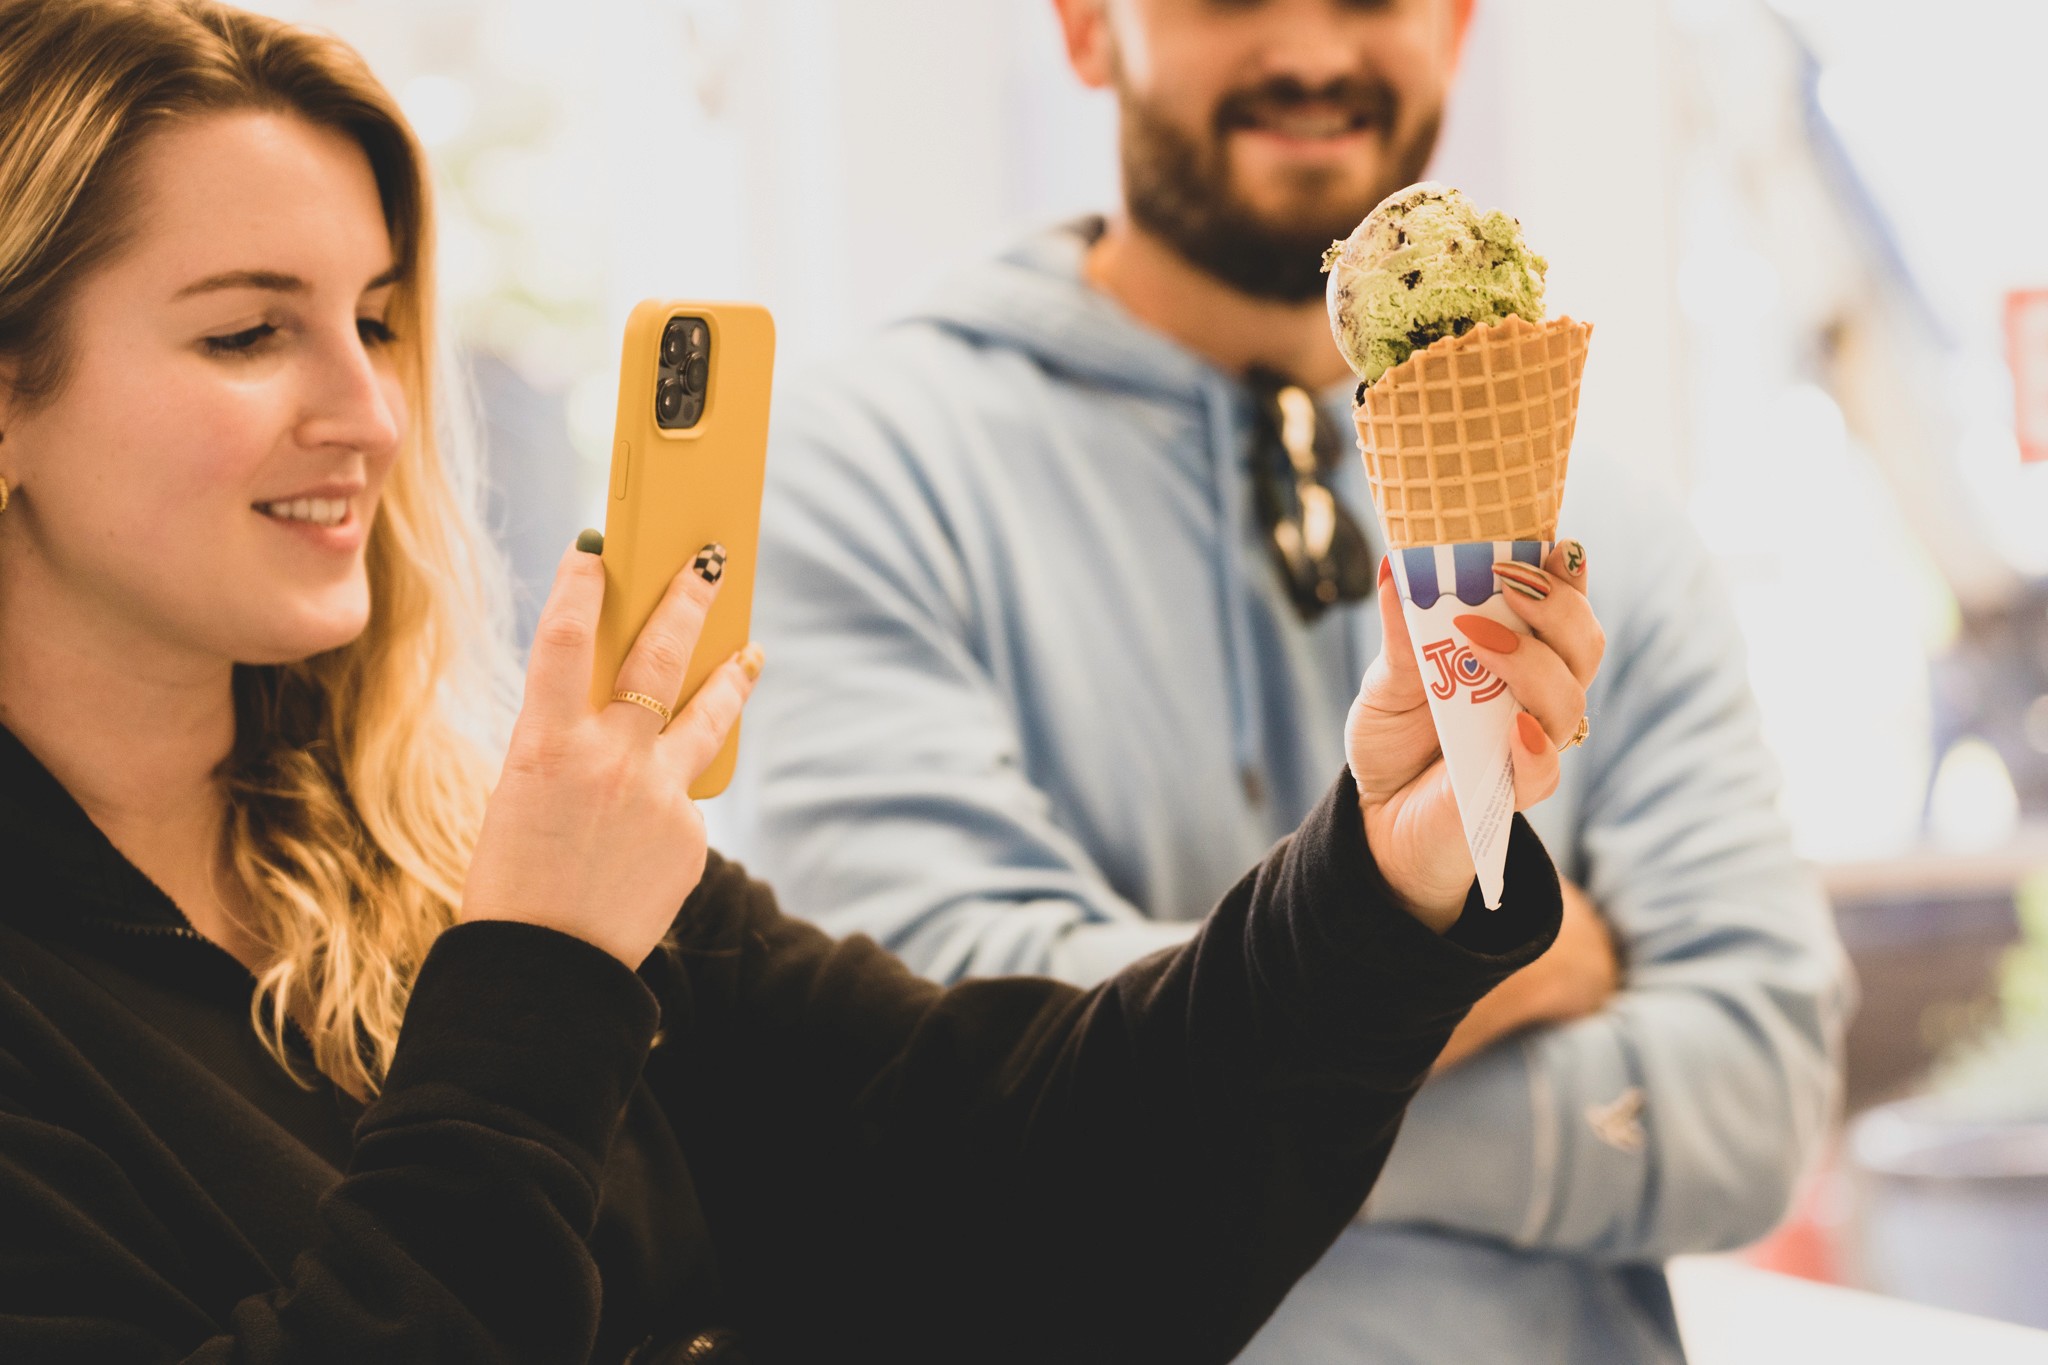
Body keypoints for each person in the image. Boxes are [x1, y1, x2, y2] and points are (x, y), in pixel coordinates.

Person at [0, 2, 1602, 1362]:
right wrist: (540, 971)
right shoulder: (525, 914)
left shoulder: (462, 849)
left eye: (374, 320)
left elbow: (1050, 1190)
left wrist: (1382, 883)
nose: (372, 413)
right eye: (245, 335)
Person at [724, 0, 1853, 1360]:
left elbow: (1755, 1094)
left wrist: (1232, 1081)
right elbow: (959, 1068)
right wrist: (1512, 971)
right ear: (1088, 28)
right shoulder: (861, 480)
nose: (1312, 48)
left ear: (1457, 25)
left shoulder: (1604, 528)